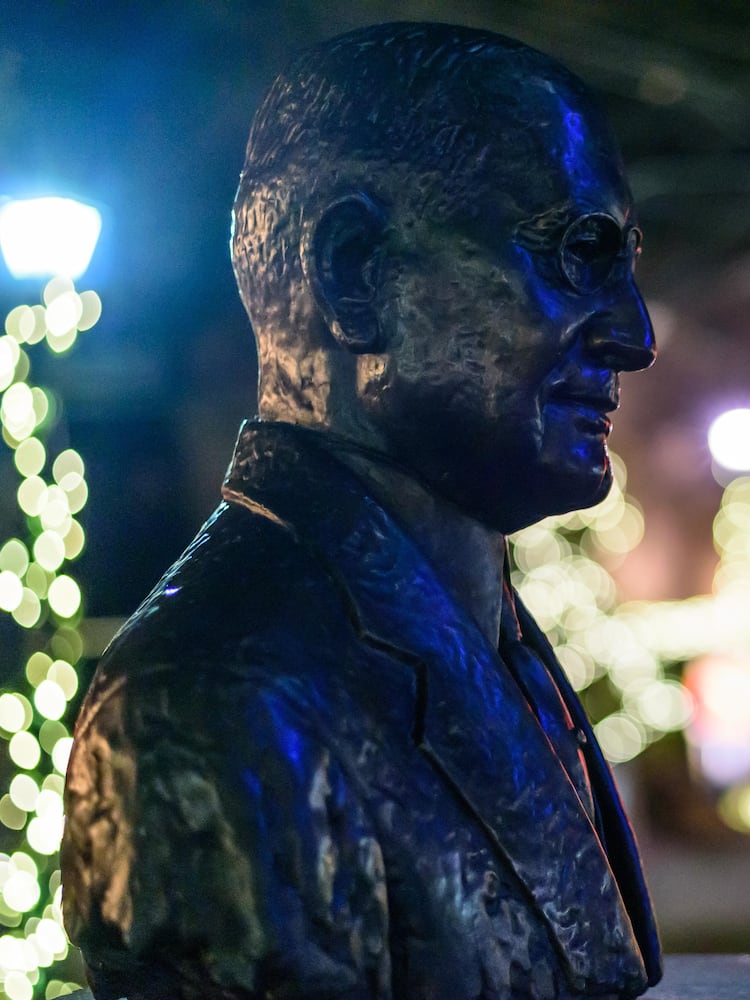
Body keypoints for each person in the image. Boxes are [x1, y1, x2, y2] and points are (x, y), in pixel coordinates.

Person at [62, 23, 660, 1000]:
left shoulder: (481, 632)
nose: (634, 334)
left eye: (626, 259)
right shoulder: (212, 704)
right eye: (577, 252)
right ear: (355, 272)